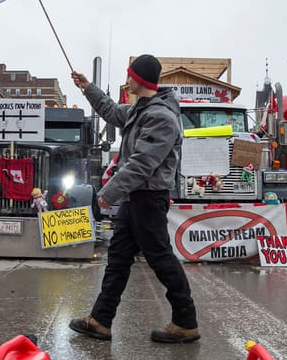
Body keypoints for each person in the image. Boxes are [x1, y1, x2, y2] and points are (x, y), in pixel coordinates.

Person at [68, 54, 199, 344]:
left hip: (148, 198)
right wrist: (88, 87)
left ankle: (186, 321)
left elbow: (141, 164)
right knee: (118, 257)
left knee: (161, 258)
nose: (126, 81)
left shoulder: (161, 117)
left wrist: (108, 193)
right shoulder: (142, 108)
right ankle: (101, 320)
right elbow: (112, 111)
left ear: (140, 80)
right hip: (136, 197)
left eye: (130, 77)